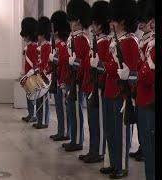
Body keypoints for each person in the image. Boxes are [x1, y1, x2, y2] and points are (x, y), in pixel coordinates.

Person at [100, 0, 139, 178]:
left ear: (122, 20)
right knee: (110, 130)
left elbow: (133, 72)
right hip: (109, 90)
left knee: (121, 133)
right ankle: (114, 162)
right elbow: (109, 65)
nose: (111, 23)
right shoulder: (115, 41)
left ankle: (122, 166)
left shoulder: (131, 42)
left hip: (121, 92)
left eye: (114, 20)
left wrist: (124, 73)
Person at [79, 0, 110, 164]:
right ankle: (92, 149)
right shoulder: (96, 41)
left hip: (97, 87)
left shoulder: (105, 41)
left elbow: (104, 65)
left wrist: (96, 64)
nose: (93, 26)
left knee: (98, 122)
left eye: (95, 24)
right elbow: (86, 63)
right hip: (90, 85)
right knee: (92, 121)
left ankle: (98, 152)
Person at [62, 0, 91, 152]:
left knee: (76, 111)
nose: (70, 22)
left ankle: (78, 140)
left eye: (72, 19)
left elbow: (81, 62)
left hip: (76, 81)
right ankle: (74, 138)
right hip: (70, 78)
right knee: (71, 111)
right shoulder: (73, 38)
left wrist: (76, 79)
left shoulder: (81, 38)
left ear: (78, 20)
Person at [132, 0, 155, 179]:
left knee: (150, 147)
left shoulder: (152, 44)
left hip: (149, 100)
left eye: (144, 20)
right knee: (147, 146)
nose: (141, 23)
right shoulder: (145, 41)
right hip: (142, 97)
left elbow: (147, 75)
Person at [49, 11, 71, 141]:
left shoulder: (63, 44)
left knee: (63, 108)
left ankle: (65, 132)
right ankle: (60, 130)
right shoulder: (58, 44)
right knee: (59, 108)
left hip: (61, 79)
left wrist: (62, 80)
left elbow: (64, 62)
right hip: (56, 78)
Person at [32, 16, 52, 129]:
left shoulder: (47, 46)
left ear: (43, 34)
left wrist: (42, 73)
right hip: (40, 75)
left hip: (44, 76)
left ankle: (44, 121)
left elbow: (46, 63)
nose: (37, 37)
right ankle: (40, 120)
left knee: (43, 100)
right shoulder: (41, 47)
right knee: (39, 99)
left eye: (39, 34)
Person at [20, 17, 38, 123]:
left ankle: (33, 114)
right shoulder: (29, 47)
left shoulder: (34, 47)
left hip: (32, 75)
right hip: (27, 74)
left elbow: (35, 63)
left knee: (32, 96)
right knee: (28, 95)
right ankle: (30, 114)